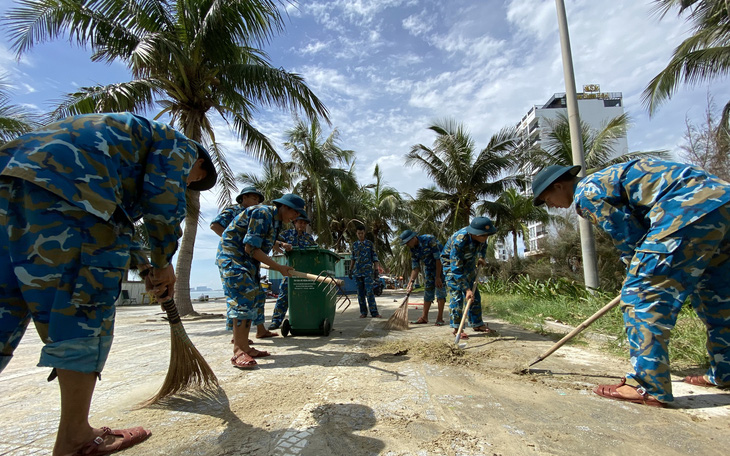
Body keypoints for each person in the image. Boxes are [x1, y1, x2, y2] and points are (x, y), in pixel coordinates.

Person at [0, 112, 217, 455]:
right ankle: (75, 436)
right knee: (81, 313)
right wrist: (163, 263)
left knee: (3, 311)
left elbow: (119, 218)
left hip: (8, 185)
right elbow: (163, 199)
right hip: (72, 204)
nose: (189, 184)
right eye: (193, 181)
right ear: (200, 166)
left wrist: (144, 265)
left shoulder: (116, 138)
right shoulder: (180, 145)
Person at [532, 159, 730, 408]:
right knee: (718, 296)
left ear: (559, 186)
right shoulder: (606, 179)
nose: (550, 206)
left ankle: (648, 386)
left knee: (641, 296)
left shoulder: (586, 192)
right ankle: (725, 371)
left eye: (546, 199)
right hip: (723, 203)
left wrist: (635, 273)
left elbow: (626, 233)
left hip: (685, 209)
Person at [216, 194, 305, 369]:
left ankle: (246, 347)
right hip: (233, 259)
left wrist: (278, 247)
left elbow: (261, 243)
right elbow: (251, 248)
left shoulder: (275, 221)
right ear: (284, 207)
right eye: (295, 213)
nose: (296, 217)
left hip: (248, 261)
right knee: (244, 298)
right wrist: (279, 267)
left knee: (255, 297)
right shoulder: (262, 213)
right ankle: (239, 351)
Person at [210, 186, 265, 338]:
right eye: (253, 198)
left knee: (258, 293)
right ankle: (238, 338)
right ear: (244, 198)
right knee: (237, 297)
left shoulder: (255, 216)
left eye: (258, 200)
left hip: (249, 258)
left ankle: (261, 329)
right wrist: (232, 240)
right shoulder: (233, 210)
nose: (256, 202)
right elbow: (215, 225)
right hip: (232, 258)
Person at [442, 217, 496, 339]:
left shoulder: (482, 237)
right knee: (457, 294)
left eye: (487, 235)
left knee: (474, 294)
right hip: (451, 264)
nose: (485, 237)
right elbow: (456, 268)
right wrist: (466, 289)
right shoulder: (459, 241)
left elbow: (483, 246)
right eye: (483, 235)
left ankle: (477, 324)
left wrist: (481, 257)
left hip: (469, 261)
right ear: (474, 233)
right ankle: (457, 328)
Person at [269, 215, 317, 330]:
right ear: (294, 223)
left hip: (305, 272)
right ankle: (276, 321)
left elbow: (316, 251)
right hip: (290, 270)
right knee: (284, 295)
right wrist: (282, 244)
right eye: (299, 222)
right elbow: (271, 241)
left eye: (304, 223)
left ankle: (306, 319)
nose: (302, 225)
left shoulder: (308, 238)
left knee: (307, 295)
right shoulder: (286, 234)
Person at [399, 229, 447, 326]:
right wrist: (411, 282)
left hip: (441, 267)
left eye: (407, 242)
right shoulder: (413, 249)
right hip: (429, 268)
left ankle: (440, 318)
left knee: (440, 290)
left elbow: (439, 259)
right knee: (428, 291)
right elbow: (415, 268)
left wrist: (438, 277)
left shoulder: (429, 239)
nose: (407, 245)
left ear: (413, 238)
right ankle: (424, 317)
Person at [349, 226, 382, 318]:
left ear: (364, 233)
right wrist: (350, 270)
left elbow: (375, 258)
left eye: (362, 233)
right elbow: (353, 258)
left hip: (367, 272)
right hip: (357, 272)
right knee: (360, 293)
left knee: (369, 292)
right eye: (358, 233)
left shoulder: (369, 244)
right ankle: (363, 312)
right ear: (356, 233)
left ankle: (374, 312)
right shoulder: (354, 245)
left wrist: (376, 270)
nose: (360, 235)